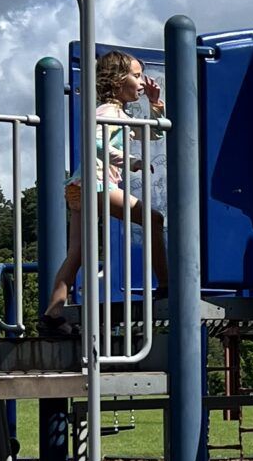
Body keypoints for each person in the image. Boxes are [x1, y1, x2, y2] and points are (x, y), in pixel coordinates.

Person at [40, 49, 166, 336]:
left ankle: (53, 313)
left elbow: (155, 134)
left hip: (80, 187)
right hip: (97, 184)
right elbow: (95, 143)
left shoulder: (119, 114)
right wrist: (129, 161)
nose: (142, 82)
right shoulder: (107, 113)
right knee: (154, 220)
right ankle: (167, 286)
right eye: (136, 76)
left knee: (78, 253)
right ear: (118, 80)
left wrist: (155, 103)